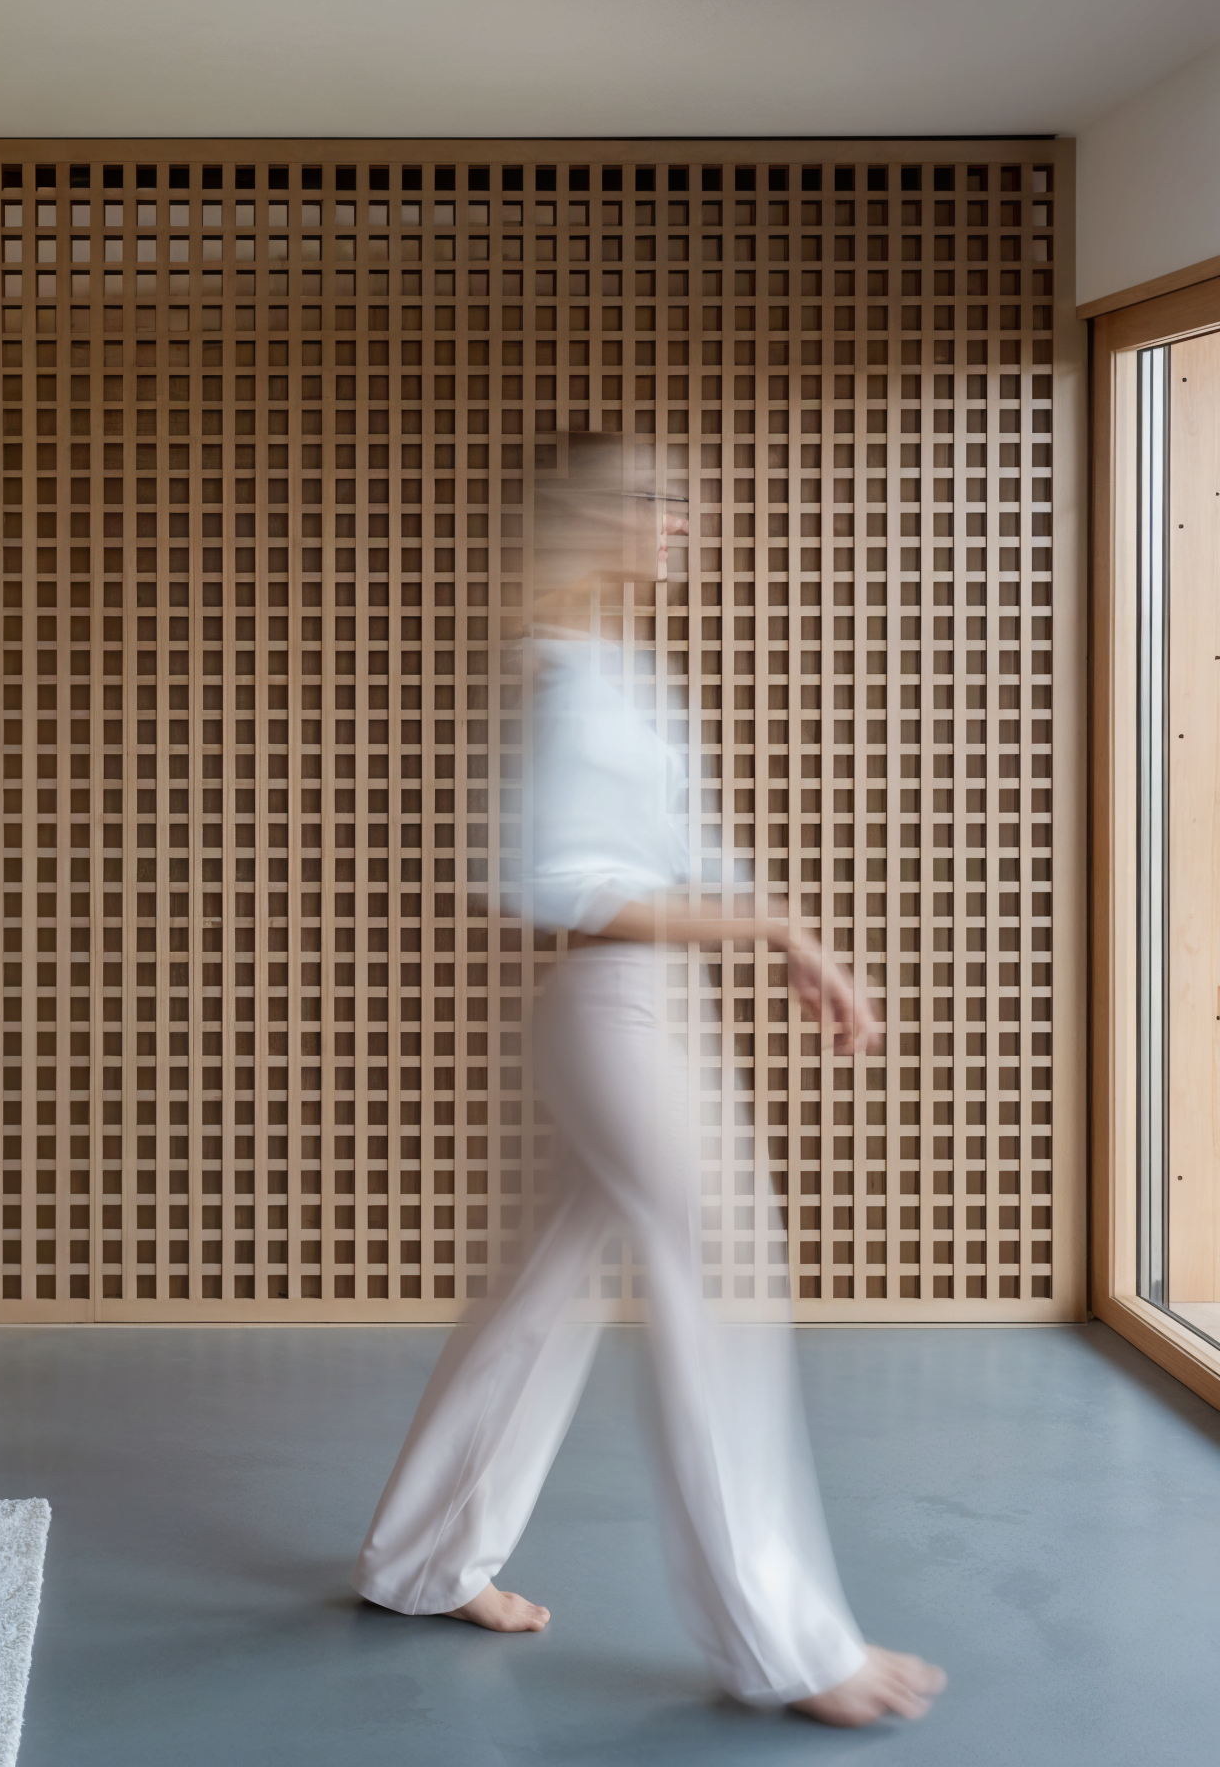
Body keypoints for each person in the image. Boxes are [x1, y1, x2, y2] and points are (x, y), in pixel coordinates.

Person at [351, 435, 946, 1727]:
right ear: (588, 519)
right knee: (723, 1289)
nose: (687, 516)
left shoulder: (624, 670)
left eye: (686, 497)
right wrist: (784, 932)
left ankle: (421, 1561)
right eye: (655, 498)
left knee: (542, 1298)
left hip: (646, 1011)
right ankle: (785, 1646)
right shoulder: (564, 677)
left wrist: (790, 938)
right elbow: (561, 883)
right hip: (614, 1009)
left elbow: (692, 859)